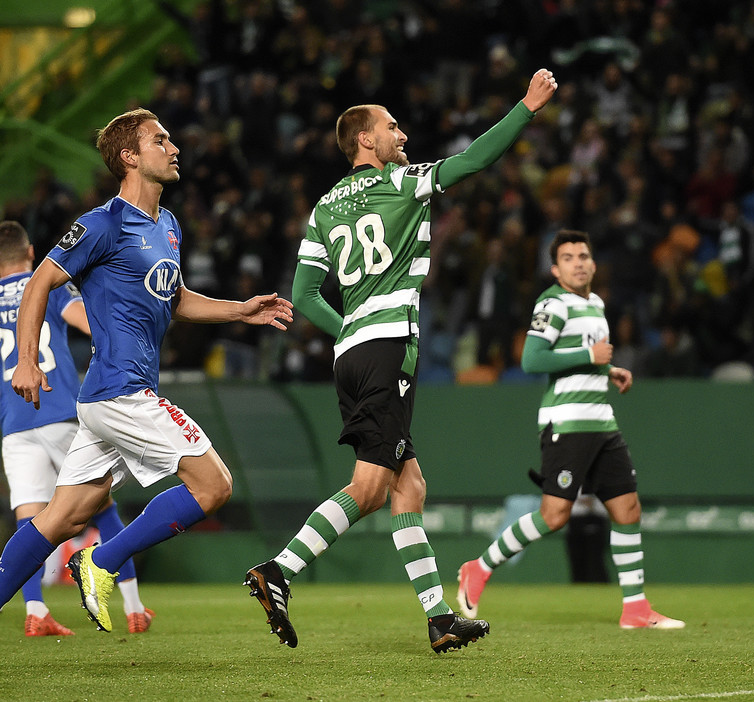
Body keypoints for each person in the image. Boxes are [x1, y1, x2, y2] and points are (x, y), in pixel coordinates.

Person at [243, 68, 559, 653]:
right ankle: (279, 571)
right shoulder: (403, 182)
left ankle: (439, 618)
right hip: (389, 348)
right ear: (366, 139)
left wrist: (351, 329)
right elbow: (471, 162)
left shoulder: (323, 208)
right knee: (368, 487)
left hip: (353, 352)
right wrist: (526, 108)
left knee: (408, 486)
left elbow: (305, 292)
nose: (403, 135)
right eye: (392, 127)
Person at [0, 109, 293, 633]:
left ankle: (85, 562)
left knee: (59, 519)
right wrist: (25, 359)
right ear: (130, 157)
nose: (174, 146)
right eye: (160, 140)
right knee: (214, 485)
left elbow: (174, 298)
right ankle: (102, 561)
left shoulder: (169, 226)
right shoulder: (101, 224)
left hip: (102, 402)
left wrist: (239, 309)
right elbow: (40, 282)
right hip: (122, 393)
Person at [456, 229, 685, 630]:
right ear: (555, 268)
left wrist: (607, 368)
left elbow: (580, 356)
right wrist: (590, 355)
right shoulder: (553, 302)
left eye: (584, 255)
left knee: (627, 509)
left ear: (594, 264)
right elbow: (532, 359)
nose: (578, 262)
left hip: (601, 421)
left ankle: (635, 608)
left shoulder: (595, 303)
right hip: (567, 421)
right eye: (569, 257)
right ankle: (479, 567)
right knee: (554, 514)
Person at [0, 221, 153, 636]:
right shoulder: (44, 286)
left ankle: (35, 610)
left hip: (13, 423)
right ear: (30, 252)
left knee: (30, 518)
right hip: (59, 413)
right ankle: (134, 607)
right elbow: (88, 321)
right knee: (102, 508)